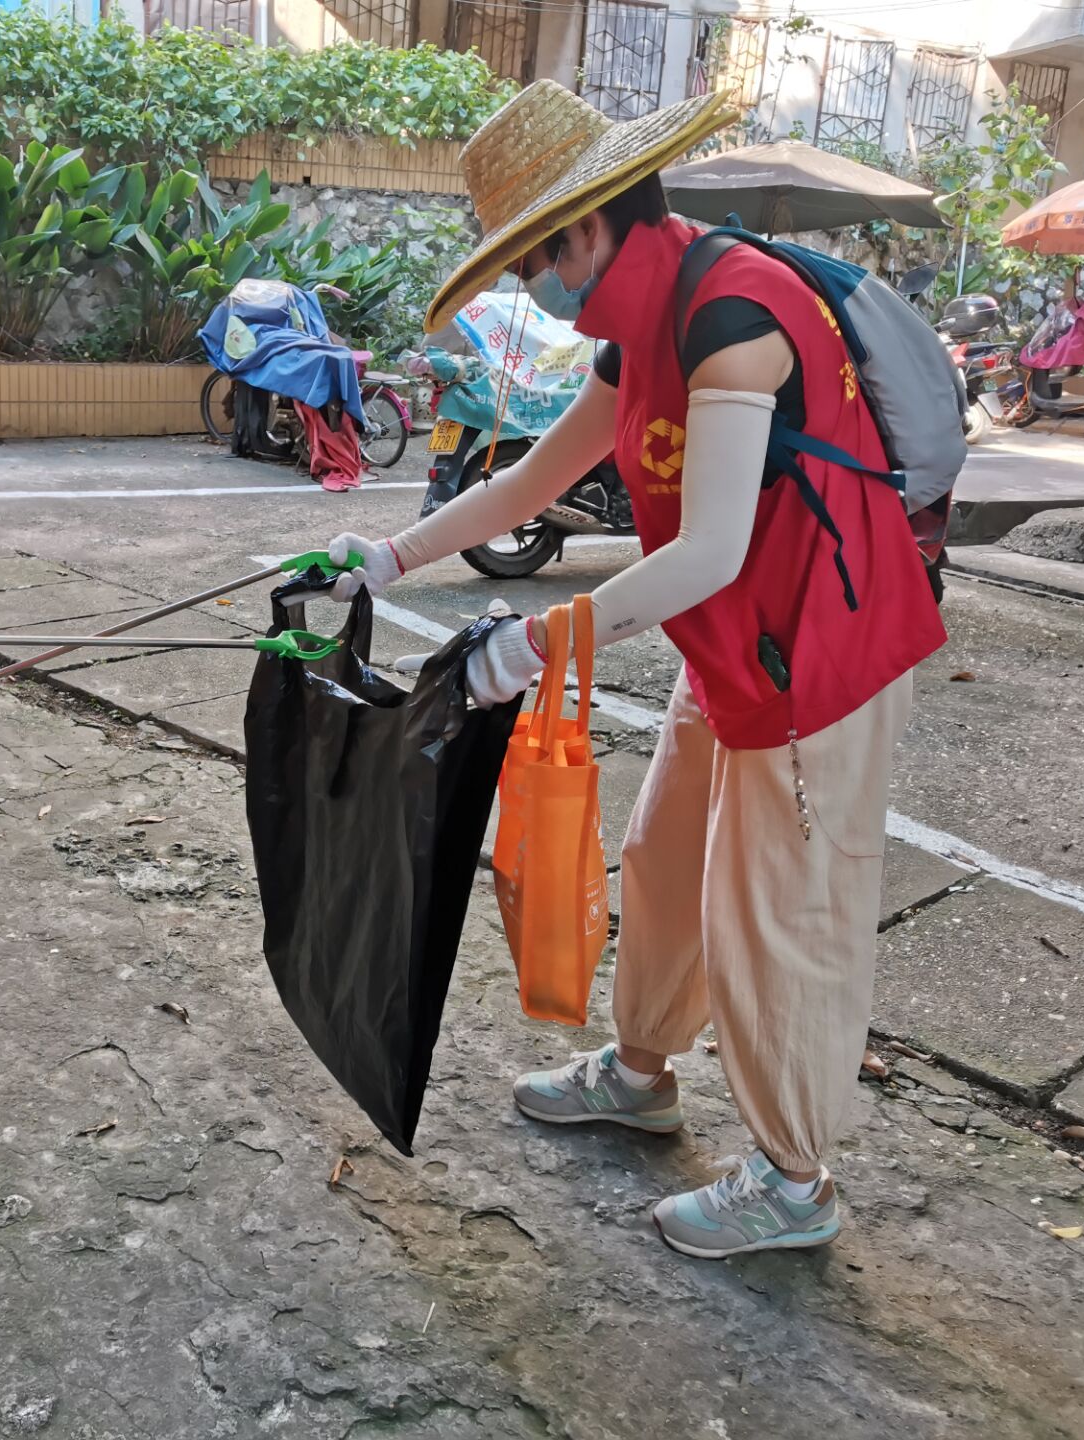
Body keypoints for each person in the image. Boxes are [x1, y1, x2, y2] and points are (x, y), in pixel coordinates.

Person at [325, 82, 946, 1258]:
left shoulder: (732, 312)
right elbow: (533, 481)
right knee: (664, 866)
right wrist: (392, 555)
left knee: (782, 917)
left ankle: (795, 1180)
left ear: (588, 227)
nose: (532, 288)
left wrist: (539, 642)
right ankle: (644, 1072)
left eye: (531, 261)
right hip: (731, 652)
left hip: (820, 662)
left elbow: (709, 551)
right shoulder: (636, 322)